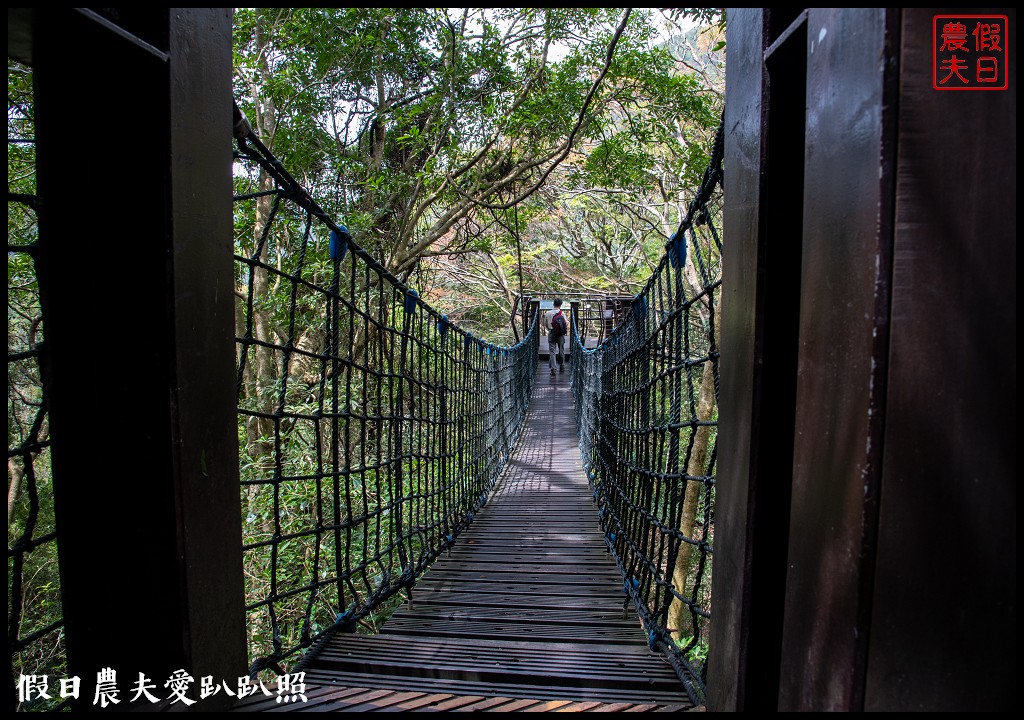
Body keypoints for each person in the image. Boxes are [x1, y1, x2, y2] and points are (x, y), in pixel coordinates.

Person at [542, 298, 568, 376]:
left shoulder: (548, 313)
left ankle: (553, 369)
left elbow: (544, 324)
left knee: (552, 351)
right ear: (560, 305)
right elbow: (566, 323)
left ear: (553, 304)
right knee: (561, 349)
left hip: (551, 333)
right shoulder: (562, 313)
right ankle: (562, 366)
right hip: (560, 335)